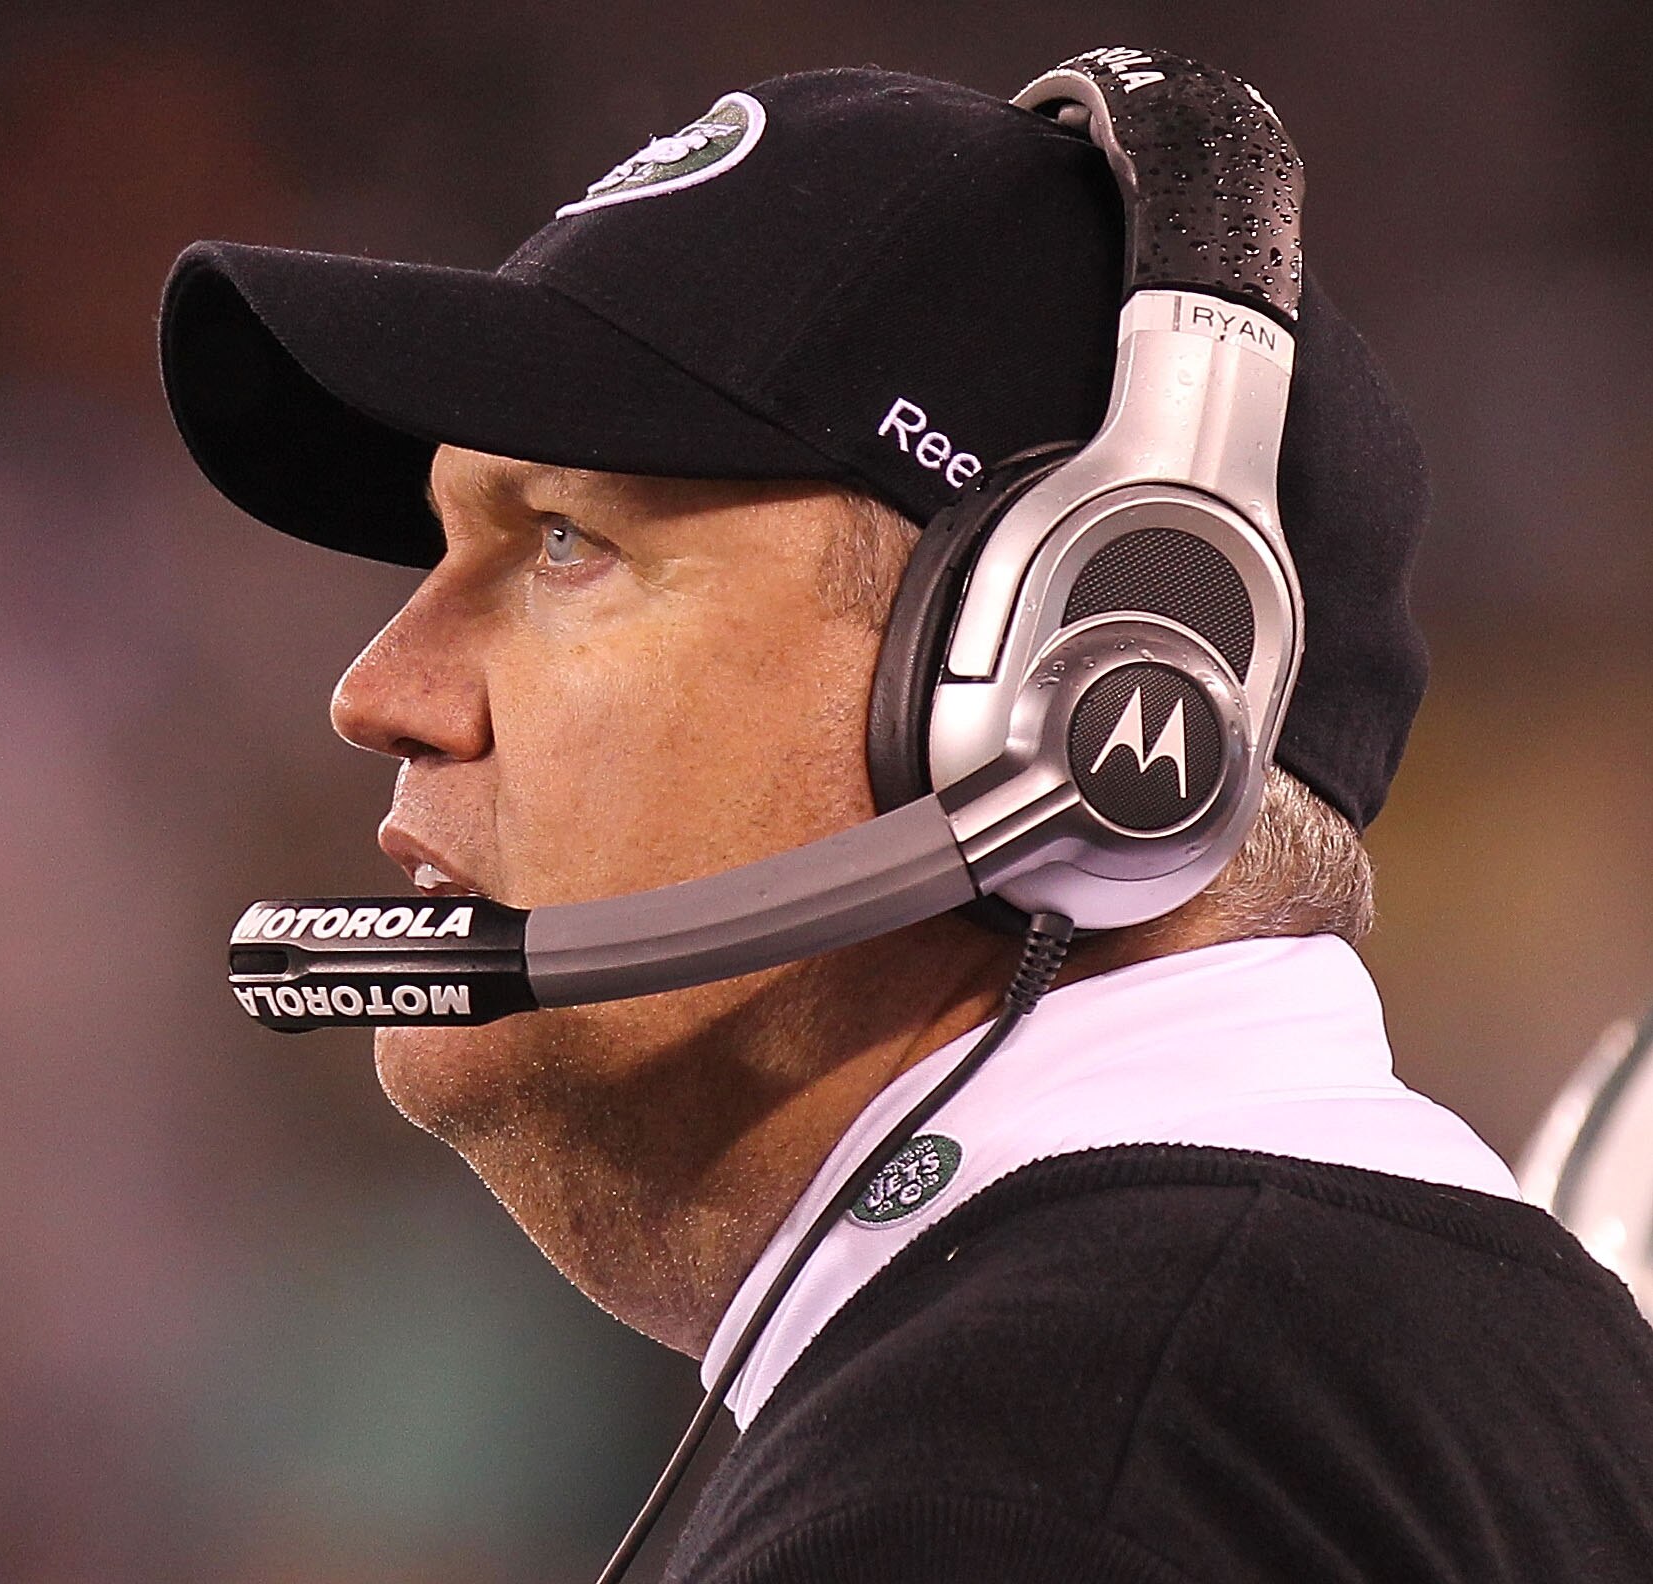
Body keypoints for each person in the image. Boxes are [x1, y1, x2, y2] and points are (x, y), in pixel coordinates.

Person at [155, 59, 1653, 1582]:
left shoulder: (1031, 1477)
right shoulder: (1378, 1383)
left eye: (561, 543)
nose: (382, 690)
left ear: (1068, 678)